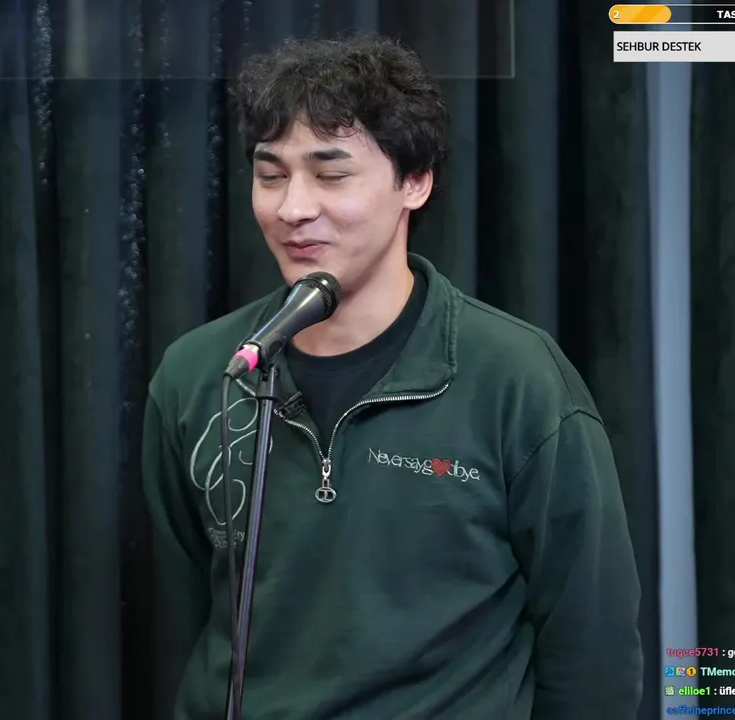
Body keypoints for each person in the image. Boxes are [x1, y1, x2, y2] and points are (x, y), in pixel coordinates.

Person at [142, 32, 643, 719]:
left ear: (414, 181)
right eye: (271, 174)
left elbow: (593, 652)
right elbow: (180, 623)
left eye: (331, 174)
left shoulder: (517, 381)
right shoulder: (201, 374)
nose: (293, 208)